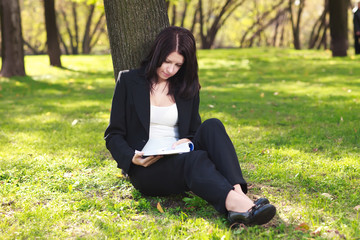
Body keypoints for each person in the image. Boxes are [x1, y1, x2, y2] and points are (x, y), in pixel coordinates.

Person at [104, 26, 276, 226]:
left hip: (181, 154)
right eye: (167, 61)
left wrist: (189, 140)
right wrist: (131, 159)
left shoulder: (187, 87)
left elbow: (195, 131)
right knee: (196, 159)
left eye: (178, 65)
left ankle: (238, 194)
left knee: (212, 125)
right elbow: (113, 134)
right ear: (156, 54)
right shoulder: (128, 81)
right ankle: (239, 205)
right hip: (147, 169)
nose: (170, 70)